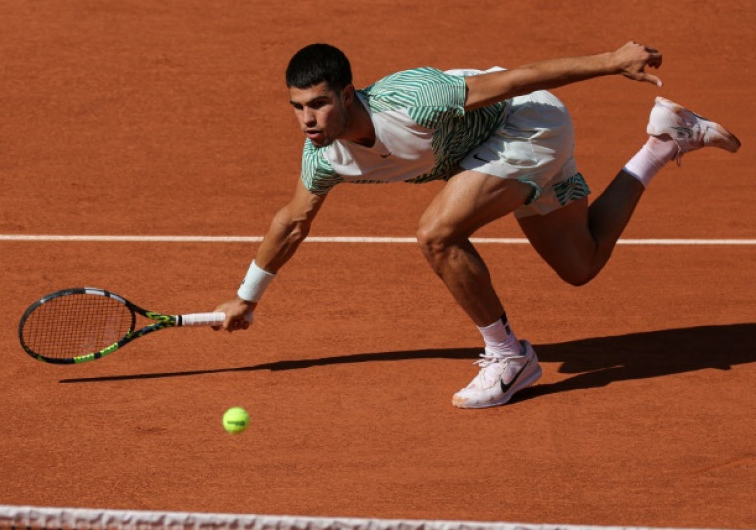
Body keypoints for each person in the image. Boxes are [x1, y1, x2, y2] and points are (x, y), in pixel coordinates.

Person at [211, 41, 741, 409]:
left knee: (436, 233)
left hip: (525, 123)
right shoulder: (323, 157)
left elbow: (516, 80)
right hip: (484, 154)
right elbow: (293, 221)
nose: (307, 120)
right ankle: (667, 140)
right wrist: (247, 297)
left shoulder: (414, 100)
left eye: (319, 104)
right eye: (298, 107)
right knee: (581, 263)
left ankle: (510, 357)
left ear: (348, 95)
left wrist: (611, 61)